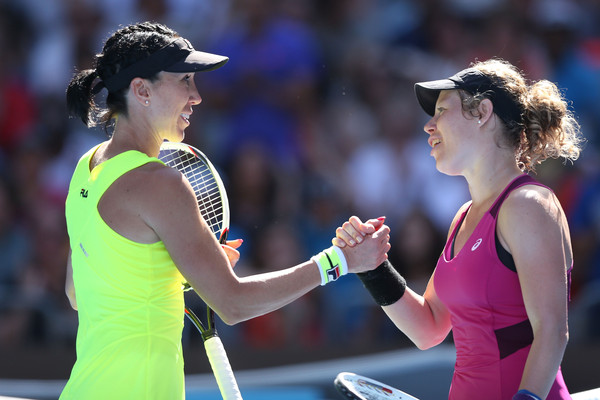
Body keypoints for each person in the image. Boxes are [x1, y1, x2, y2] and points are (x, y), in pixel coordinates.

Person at [62, 21, 390, 400]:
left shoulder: (87, 168)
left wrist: (178, 272)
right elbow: (232, 303)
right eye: (184, 81)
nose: (197, 96)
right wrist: (339, 261)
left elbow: (77, 291)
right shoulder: (159, 183)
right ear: (142, 90)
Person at [334, 58, 583, 400]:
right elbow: (429, 328)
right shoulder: (463, 216)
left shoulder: (528, 205)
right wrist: (373, 268)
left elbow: (553, 330)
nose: (428, 126)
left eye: (441, 111)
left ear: (482, 112)